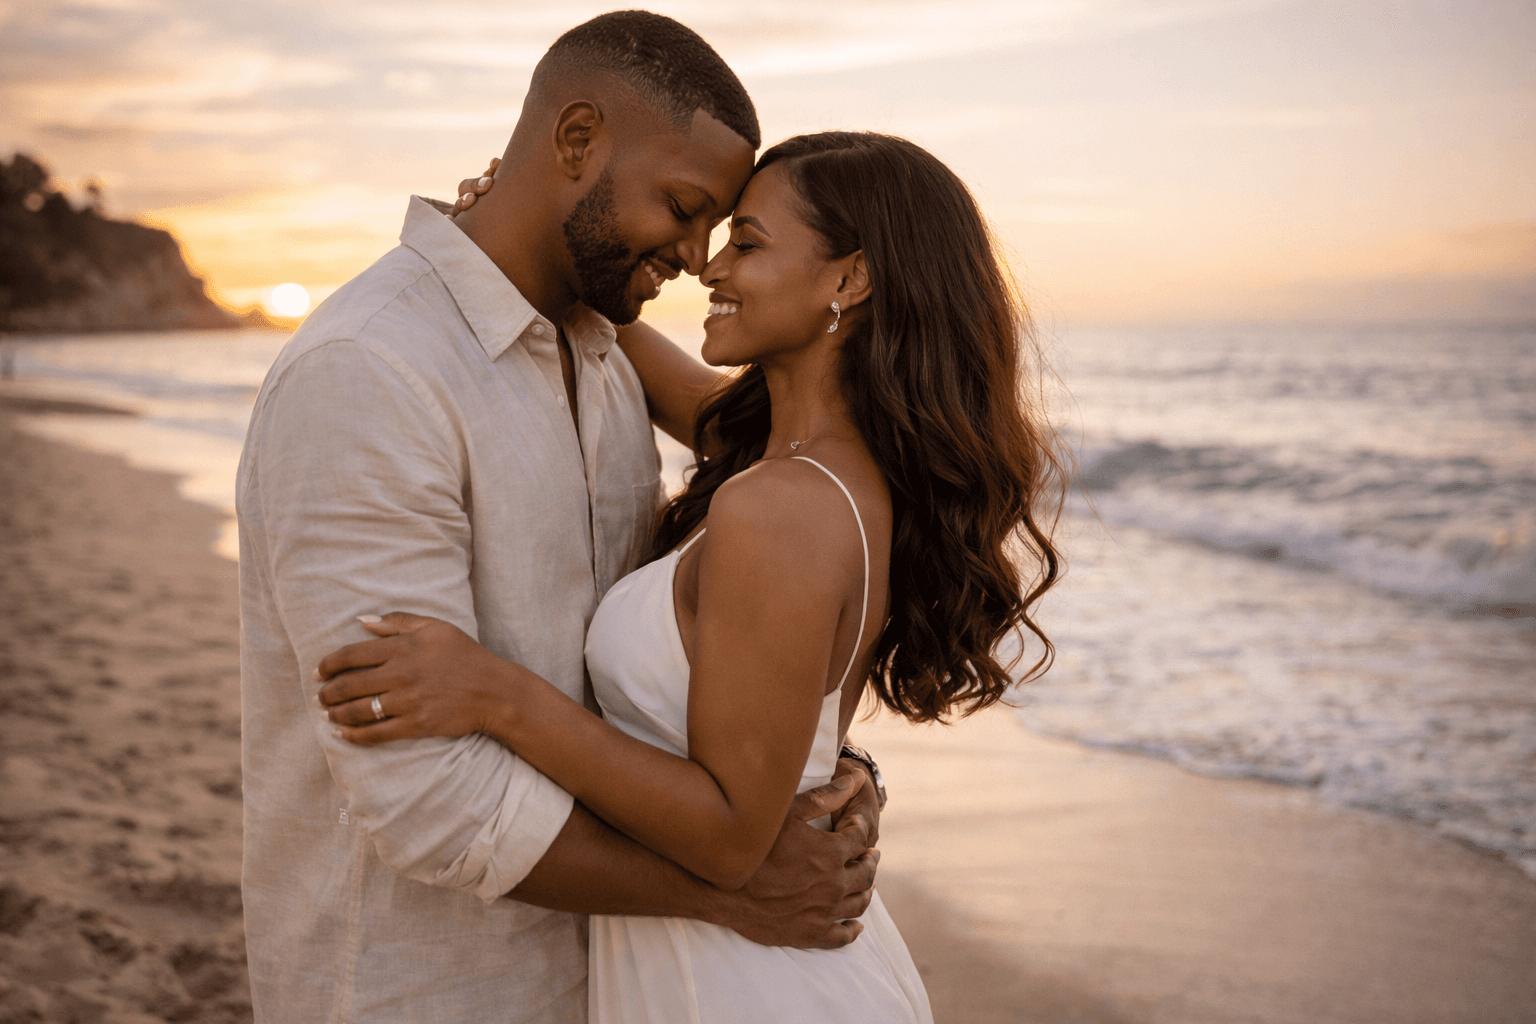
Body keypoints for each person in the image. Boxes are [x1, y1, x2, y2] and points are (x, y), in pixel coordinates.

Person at [316, 131, 1066, 1022]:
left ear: (849, 280)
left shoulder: (782, 504)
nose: (708, 266)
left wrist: (494, 695)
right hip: (724, 964)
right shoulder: (799, 458)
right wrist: (511, 231)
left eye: (746, 243)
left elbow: (729, 838)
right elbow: (607, 325)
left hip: (750, 981)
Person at [236, 13, 883, 1024]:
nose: (698, 255)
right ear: (577, 142)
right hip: (430, 987)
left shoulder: (602, 351)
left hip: (625, 982)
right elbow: (424, 798)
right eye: (683, 206)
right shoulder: (369, 373)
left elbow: (788, 557)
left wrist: (821, 769)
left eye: (726, 228)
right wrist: (731, 887)